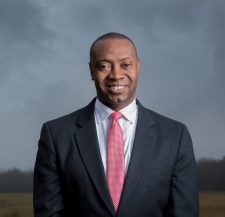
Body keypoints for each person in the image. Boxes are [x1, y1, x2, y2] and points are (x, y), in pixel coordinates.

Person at [33, 32, 199, 217]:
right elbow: (49, 212)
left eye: (126, 65)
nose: (116, 74)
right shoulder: (56, 134)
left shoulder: (175, 136)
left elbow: (184, 212)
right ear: (91, 71)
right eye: (104, 66)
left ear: (137, 66)